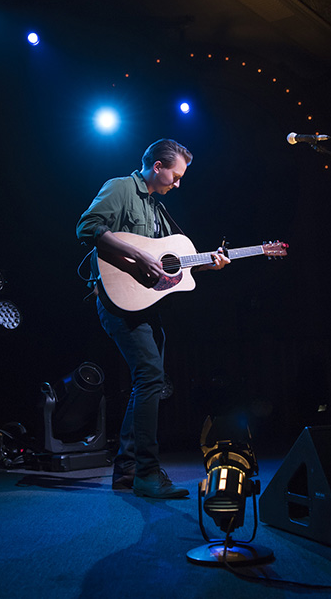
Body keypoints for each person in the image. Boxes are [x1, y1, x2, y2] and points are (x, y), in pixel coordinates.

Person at [76, 138, 229, 499]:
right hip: (117, 303)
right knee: (150, 378)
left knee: (148, 382)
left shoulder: (157, 210)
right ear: (157, 167)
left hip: (146, 307)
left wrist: (208, 262)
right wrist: (139, 258)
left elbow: (166, 264)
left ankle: (127, 470)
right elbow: (87, 227)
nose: (178, 184)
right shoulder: (120, 188)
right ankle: (145, 472)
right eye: (175, 176)